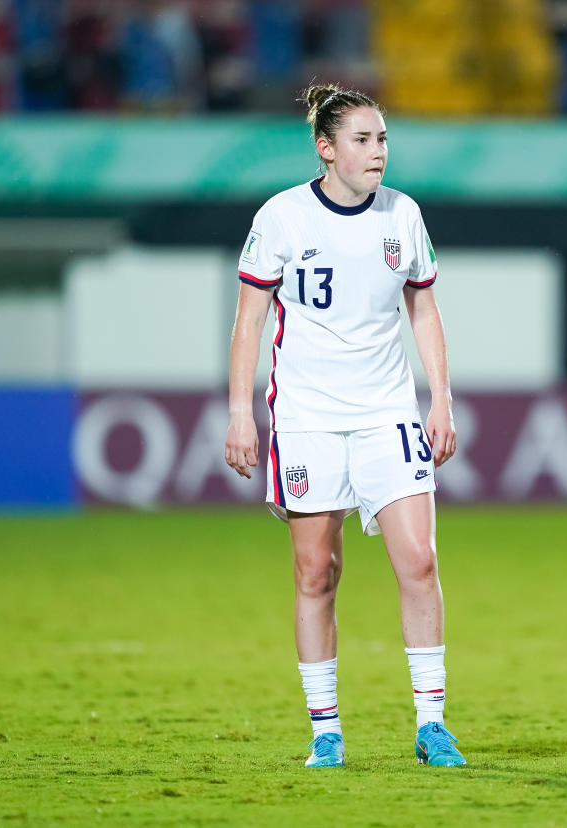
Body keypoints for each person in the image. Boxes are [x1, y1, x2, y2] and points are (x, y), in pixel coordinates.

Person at [223, 83, 466, 769]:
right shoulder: (282, 218)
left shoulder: (403, 215)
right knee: (316, 572)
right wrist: (242, 411)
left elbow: (423, 309)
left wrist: (440, 397)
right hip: (307, 417)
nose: (377, 152)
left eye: (383, 139)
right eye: (362, 140)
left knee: (418, 561)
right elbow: (250, 321)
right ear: (326, 149)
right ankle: (326, 730)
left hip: (386, 410)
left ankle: (432, 723)